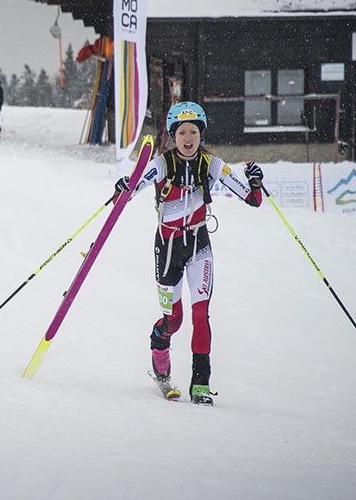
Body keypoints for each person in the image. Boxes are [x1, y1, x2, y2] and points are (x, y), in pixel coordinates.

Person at [113, 102, 264, 405]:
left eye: (193, 131)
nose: (188, 137)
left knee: (200, 316)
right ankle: (159, 348)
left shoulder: (212, 165)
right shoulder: (160, 164)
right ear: (173, 135)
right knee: (174, 321)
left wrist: (256, 181)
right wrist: (123, 188)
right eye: (182, 132)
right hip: (168, 248)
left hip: (199, 247)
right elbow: (129, 191)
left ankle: (201, 385)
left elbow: (252, 199)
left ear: (201, 135)